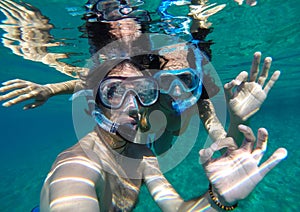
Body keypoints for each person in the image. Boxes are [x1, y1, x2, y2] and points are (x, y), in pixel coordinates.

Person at [39, 57, 287, 211]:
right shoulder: (77, 166)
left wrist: (218, 199)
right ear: (91, 106)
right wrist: (51, 89)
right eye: (114, 91)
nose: (133, 104)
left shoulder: (143, 156)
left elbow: (179, 209)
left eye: (142, 92)